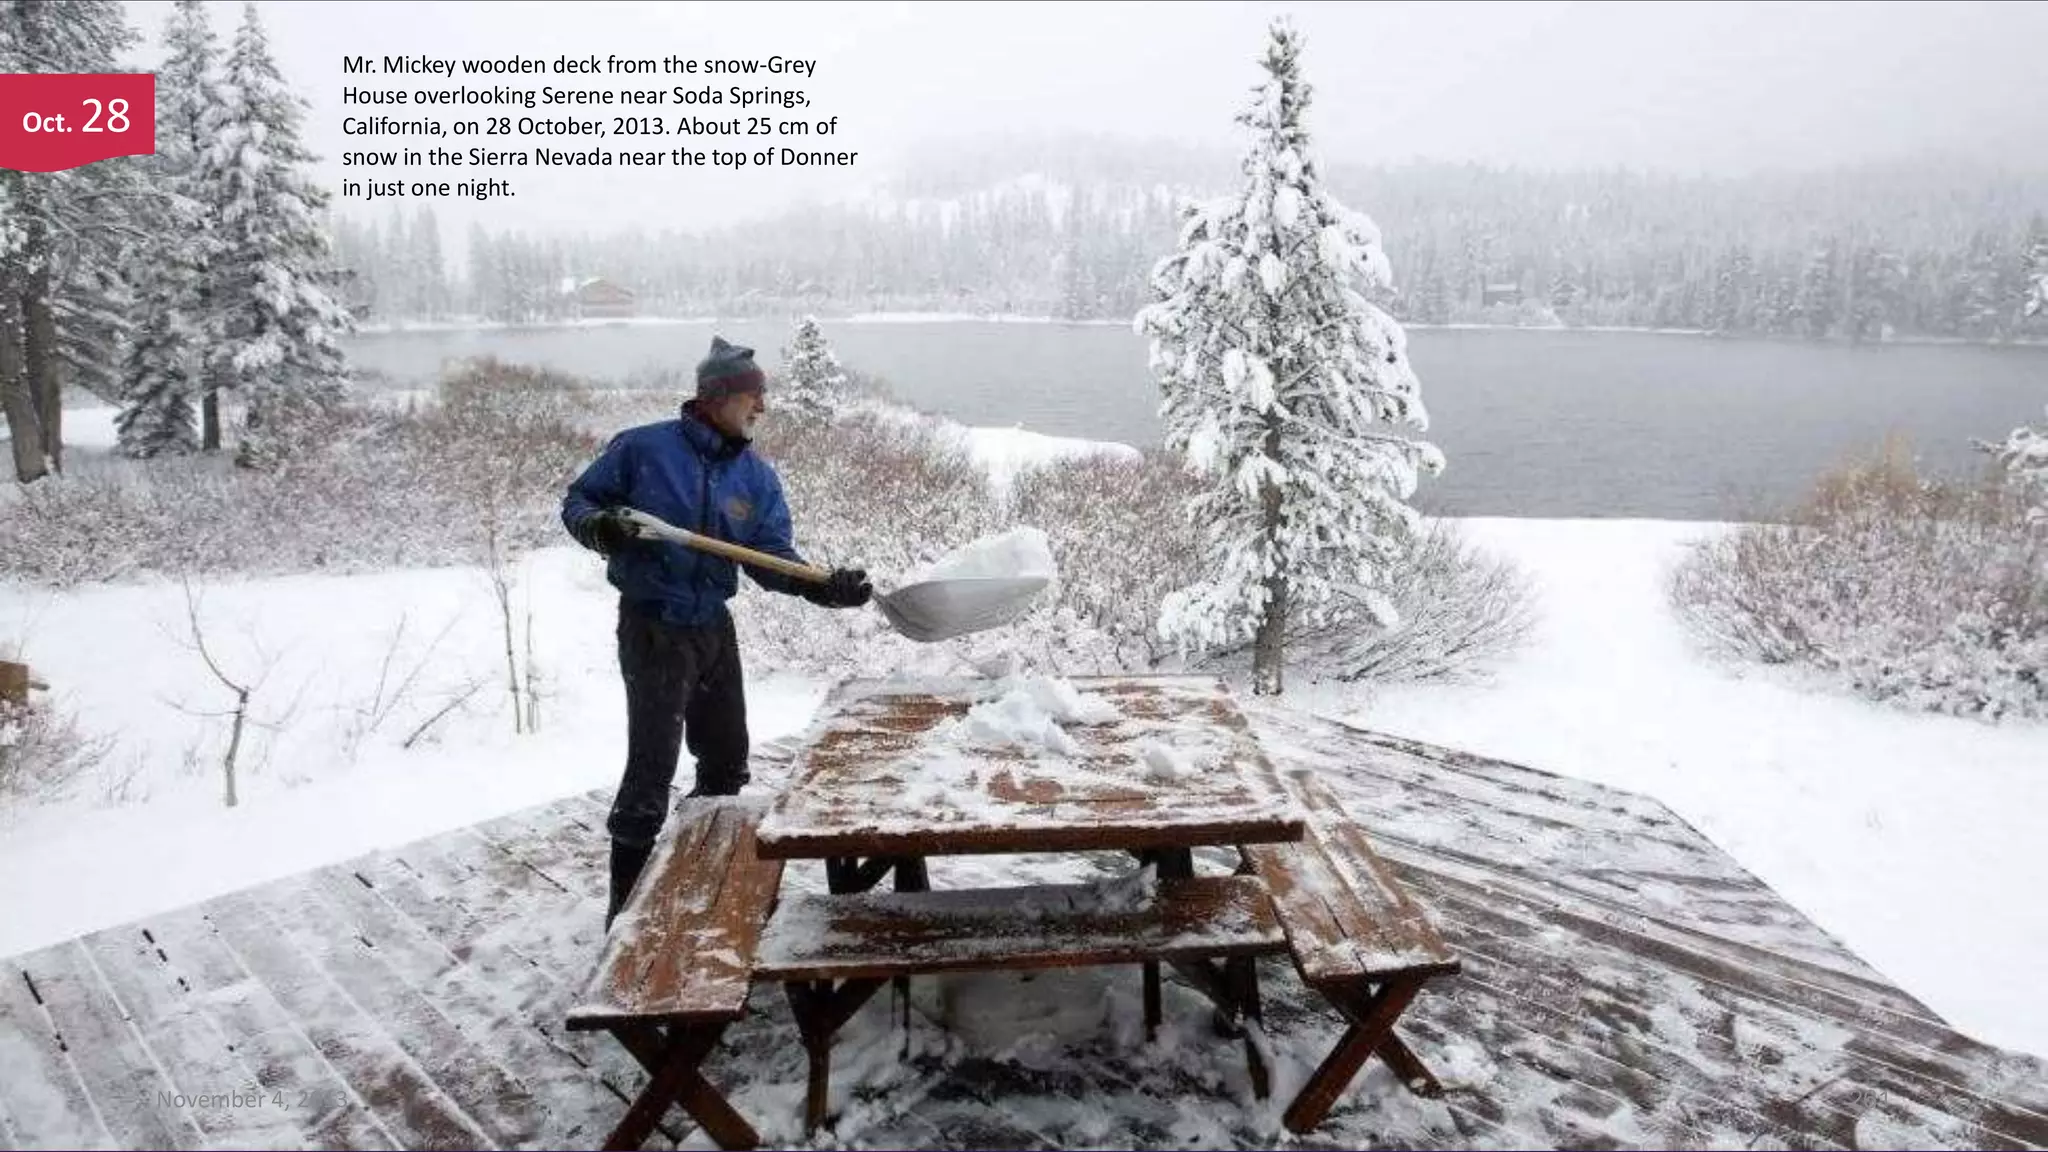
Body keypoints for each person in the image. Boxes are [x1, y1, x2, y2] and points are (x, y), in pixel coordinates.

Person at [561, 335, 873, 927]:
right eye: (754, 396)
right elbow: (580, 500)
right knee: (650, 773)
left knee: (727, 763)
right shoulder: (643, 449)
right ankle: (623, 916)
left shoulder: (755, 478)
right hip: (654, 626)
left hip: (712, 629)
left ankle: (698, 871)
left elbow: (770, 558)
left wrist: (822, 586)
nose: (762, 409)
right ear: (716, 396)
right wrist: (600, 527)